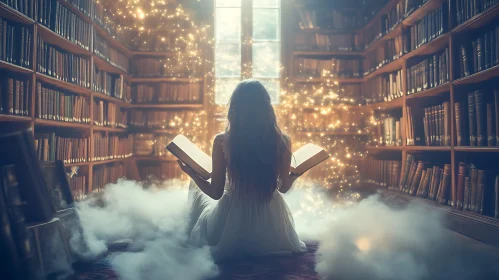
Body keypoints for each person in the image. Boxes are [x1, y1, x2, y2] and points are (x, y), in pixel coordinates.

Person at [178, 79, 307, 261]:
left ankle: (185, 232)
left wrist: (191, 173)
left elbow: (215, 193)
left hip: (232, 215)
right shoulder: (282, 140)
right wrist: (295, 175)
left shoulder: (223, 140)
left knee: (194, 185)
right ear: (267, 107)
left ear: (235, 108)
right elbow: (283, 188)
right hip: (272, 221)